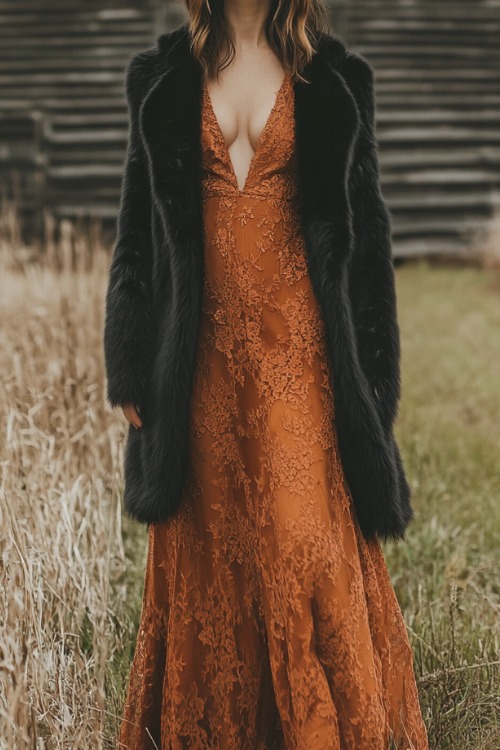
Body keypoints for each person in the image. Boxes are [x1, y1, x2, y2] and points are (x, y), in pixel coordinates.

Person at [104, 1, 429, 747]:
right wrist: (129, 363)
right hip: (199, 368)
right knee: (216, 549)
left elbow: (367, 239)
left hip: (301, 365)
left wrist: (375, 382)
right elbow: (137, 236)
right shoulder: (160, 78)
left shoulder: (337, 79)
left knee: (297, 540)